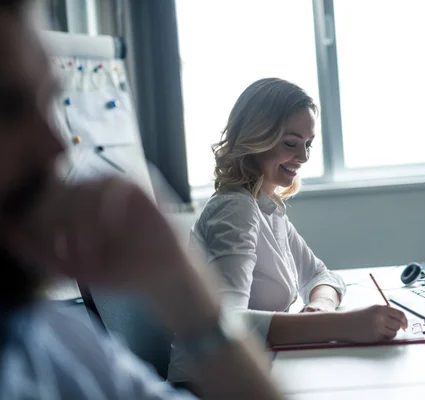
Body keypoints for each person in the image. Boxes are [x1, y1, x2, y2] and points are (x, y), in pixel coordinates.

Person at [0, 1, 284, 399]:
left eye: (48, 102)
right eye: (7, 108)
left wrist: (190, 296)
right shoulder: (236, 208)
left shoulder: (50, 342)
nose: (55, 146)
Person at [169, 78, 408, 383]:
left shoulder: (267, 207)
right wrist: (342, 324)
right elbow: (224, 324)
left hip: (252, 372)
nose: (305, 156)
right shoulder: (234, 209)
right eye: (291, 143)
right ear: (256, 138)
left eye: (307, 144)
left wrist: (320, 308)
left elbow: (323, 276)